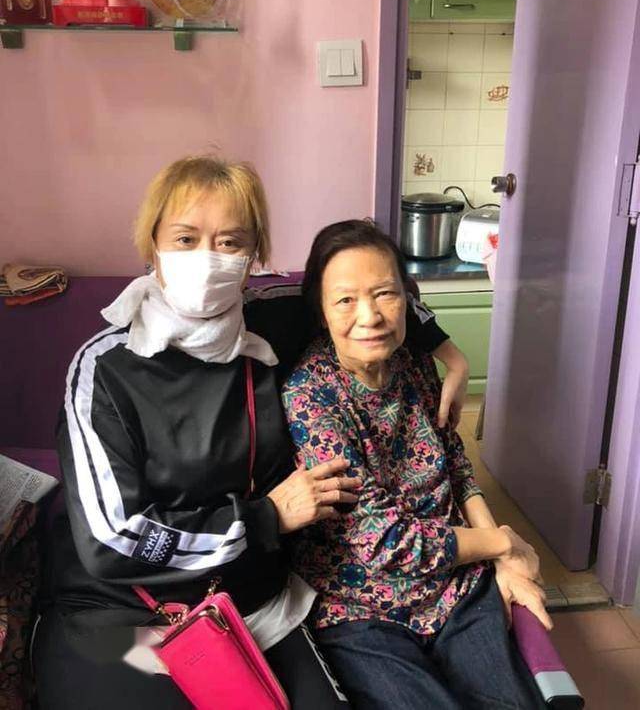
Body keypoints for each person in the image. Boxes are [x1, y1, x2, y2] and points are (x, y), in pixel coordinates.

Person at [33, 156, 461, 709]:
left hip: (253, 602)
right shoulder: (104, 369)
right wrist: (267, 517)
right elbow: (112, 541)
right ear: (152, 246)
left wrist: (451, 356)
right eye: (185, 239)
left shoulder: (272, 320)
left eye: (230, 242)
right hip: (122, 613)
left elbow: (378, 295)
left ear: (254, 255)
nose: (207, 258)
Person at [282, 219, 551, 710]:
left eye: (385, 294)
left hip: (454, 585)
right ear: (321, 312)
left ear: (406, 299)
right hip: (359, 605)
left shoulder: (414, 363)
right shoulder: (309, 396)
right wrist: (503, 543)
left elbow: (456, 466)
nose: (370, 316)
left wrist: (502, 562)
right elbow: (387, 541)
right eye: (345, 300)